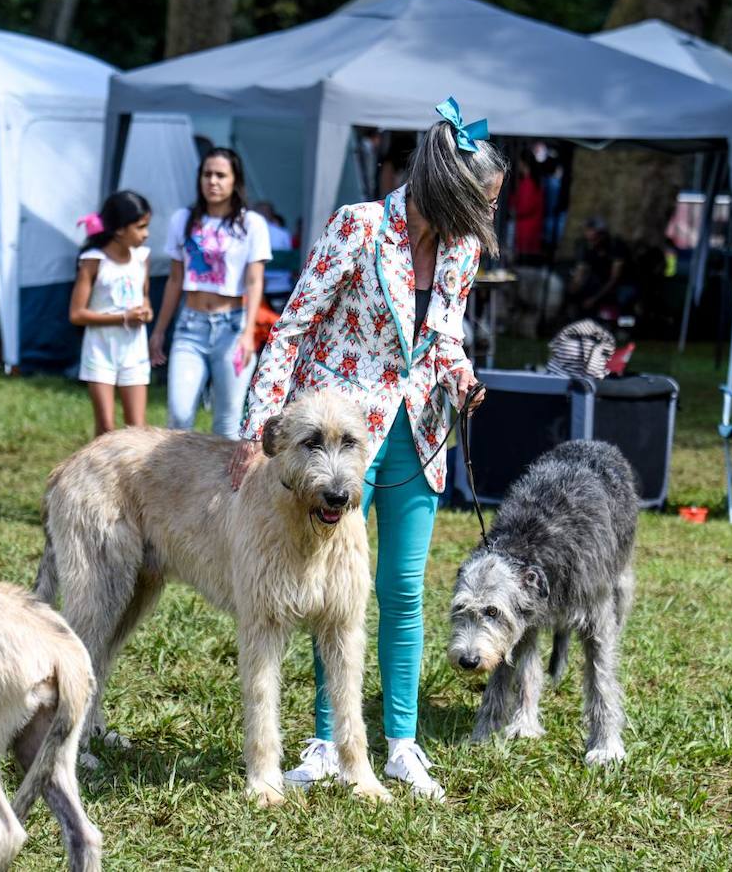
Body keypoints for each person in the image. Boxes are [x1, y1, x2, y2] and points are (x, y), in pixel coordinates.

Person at [231, 97, 505, 799]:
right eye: (480, 202)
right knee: (330, 589)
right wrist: (256, 429)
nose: (485, 220)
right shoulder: (358, 226)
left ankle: (402, 744)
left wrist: (461, 373)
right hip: (342, 428)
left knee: (402, 588)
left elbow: (443, 333)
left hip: (419, 426)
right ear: (446, 185)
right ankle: (324, 741)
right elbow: (293, 327)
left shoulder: (461, 248)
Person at [149, 148, 270, 439]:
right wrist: (159, 330)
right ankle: (175, 483)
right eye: (207, 174)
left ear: (234, 181)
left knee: (227, 422)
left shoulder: (251, 224)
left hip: (232, 326)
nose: (212, 181)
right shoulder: (184, 220)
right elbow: (175, 279)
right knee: (178, 416)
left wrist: (247, 333)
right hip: (190, 325)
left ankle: (222, 486)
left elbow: (254, 282)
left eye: (220, 175)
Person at [69, 191, 154, 436]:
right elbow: (76, 314)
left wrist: (146, 310)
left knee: (137, 429)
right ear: (118, 230)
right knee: (106, 428)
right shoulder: (94, 261)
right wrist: (123, 318)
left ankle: (137, 476)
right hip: (100, 351)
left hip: (134, 351)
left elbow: (144, 295)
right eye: (140, 227)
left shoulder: (141, 258)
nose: (146, 234)